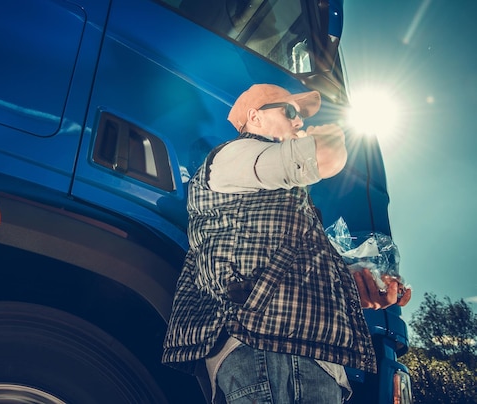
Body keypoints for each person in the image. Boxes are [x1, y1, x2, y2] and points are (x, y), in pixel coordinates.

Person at [162, 84, 411, 403]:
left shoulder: (280, 199)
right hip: (274, 354)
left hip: (300, 357)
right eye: (290, 112)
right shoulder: (233, 157)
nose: (299, 123)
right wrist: (330, 137)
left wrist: (356, 286)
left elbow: (282, 265)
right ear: (255, 118)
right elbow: (322, 157)